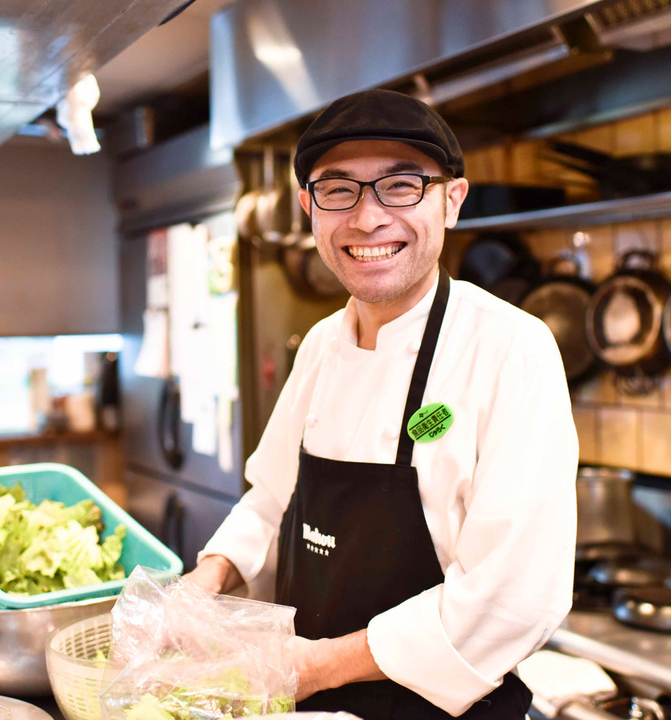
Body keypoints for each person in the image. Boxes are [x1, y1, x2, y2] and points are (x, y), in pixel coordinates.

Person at [182, 88, 579, 719]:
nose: (367, 219)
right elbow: (271, 499)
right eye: (338, 190)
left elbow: (514, 595)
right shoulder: (319, 345)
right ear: (309, 208)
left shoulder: (512, 349)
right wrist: (208, 581)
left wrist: (320, 667)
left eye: (401, 186)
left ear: (451, 201)